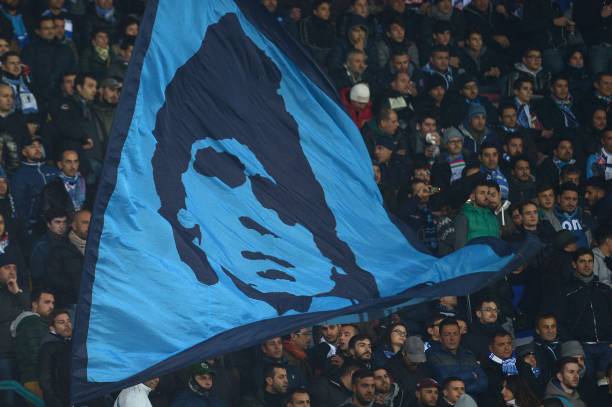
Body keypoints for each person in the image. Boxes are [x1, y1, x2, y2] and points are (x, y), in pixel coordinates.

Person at [21, 15, 77, 104]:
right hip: (38, 97)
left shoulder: (66, 50)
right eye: (46, 29)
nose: (50, 31)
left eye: (52, 28)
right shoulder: (29, 50)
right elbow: (26, 73)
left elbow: (73, 71)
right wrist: (35, 91)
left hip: (63, 97)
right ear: (38, 31)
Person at [11, 288, 55, 398]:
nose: (51, 306)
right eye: (47, 302)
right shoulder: (32, 322)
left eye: (53, 303)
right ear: (35, 304)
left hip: (34, 378)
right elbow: (37, 354)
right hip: (36, 379)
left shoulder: (37, 322)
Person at [11, 134, 60, 232]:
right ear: (24, 152)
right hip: (36, 226)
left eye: (39, 146)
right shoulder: (19, 176)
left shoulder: (54, 170)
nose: (37, 149)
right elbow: (18, 206)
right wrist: (28, 226)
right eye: (32, 147)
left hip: (60, 222)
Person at [426, 318, 487, 395]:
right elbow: (446, 382)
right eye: (447, 334)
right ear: (440, 337)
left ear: (460, 336)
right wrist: (471, 375)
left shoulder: (469, 354)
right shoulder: (432, 354)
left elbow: (483, 383)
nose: (452, 338)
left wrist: (461, 390)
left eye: (455, 334)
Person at [44, 209, 90, 308]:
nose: (89, 226)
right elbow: (53, 279)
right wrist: (77, 286)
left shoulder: (101, 248)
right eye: (85, 223)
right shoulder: (59, 248)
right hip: (71, 305)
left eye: (92, 222)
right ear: (73, 225)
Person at [0, 247, 29, 404]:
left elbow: (31, 315)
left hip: (23, 356)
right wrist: (18, 312)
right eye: (6, 268)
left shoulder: (19, 292)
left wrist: (17, 292)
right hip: (3, 355)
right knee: (8, 399)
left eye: (14, 268)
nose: (12, 272)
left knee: (24, 399)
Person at [39, 308, 72, 407]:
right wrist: (55, 403)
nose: (67, 325)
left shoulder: (72, 344)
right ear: (52, 328)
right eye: (61, 322)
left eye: (69, 321)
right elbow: (45, 379)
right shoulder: (48, 347)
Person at [454, 180, 500, 249]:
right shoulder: (463, 217)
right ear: (472, 197)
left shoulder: (493, 216)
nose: (487, 197)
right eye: (482, 193)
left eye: (488, 193)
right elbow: (460, 248)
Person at [553, 182, 593, 248]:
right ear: (559, 199)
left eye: (574, 199)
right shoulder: (551, 216)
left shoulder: (583, 216)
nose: (571, 203)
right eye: (567, 199)